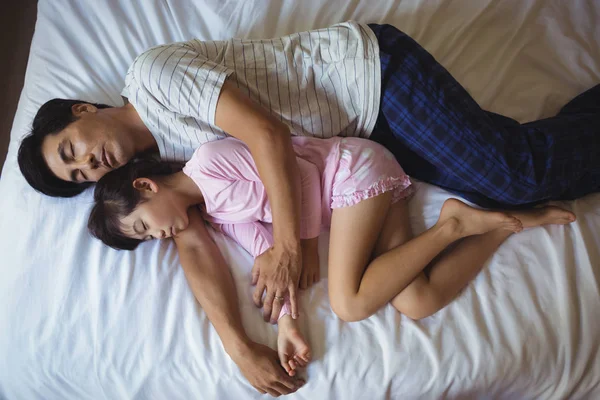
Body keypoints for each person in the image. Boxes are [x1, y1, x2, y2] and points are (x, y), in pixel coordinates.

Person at [17, 21, 599, 395]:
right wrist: (242, 346)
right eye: (79, 175)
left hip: (374, 85)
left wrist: (292, 250)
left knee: (515, 174)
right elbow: (191, 240)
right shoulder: (170, 169)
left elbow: (267, 136)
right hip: (361, 146)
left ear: (82, 110)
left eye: (74, 150)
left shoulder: (154, 78)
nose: (89, 165)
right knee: (481, 208)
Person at [88, 135, 575, 329]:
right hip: (360, 201)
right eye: (146, 240)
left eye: (144, 226)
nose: (157, 236)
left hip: (353, 171)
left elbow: (298, 173)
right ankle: (496, 229)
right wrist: (286, 326)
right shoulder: (218, 218)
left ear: (146, 185)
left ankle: (451, 225)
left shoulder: (212, 162)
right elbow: (272, 263)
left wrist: (299, 242)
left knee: (350, 303)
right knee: (418, 301)